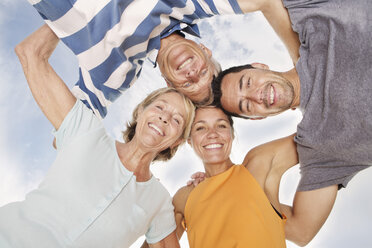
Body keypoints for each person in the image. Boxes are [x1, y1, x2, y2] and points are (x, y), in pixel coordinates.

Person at [0, 25, 195, 248]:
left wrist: (199, 190)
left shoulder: (158, 202)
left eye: (177, 120)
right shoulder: (86, 130)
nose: (164, 118)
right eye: (160, 107)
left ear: (177, 141)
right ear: (141, 110)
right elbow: (31, 53)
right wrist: (85, 12)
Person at [212, 0, 372, 245]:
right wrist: (247, 175)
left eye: (248, 82)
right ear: (258, 118)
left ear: (258, 66)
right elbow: (299, 230)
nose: (256, 95)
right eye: (247, 106)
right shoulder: (320, 143)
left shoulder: (313, 19)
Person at [28, 0, 299, 118]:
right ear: (206, 50)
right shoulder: (191, 5)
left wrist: (64, 25)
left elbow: (71, 128)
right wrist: (303, 69)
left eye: (189, 85)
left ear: (169, 81)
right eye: (204, 74)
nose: (193, 75)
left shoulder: (118, 71)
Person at [172, 106, 298, 247]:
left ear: (231, 134)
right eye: (200, 128)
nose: (212, 134)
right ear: (189, 140)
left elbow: (315, 137)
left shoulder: (258, 166)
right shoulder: (184, 198)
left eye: (221, 126)